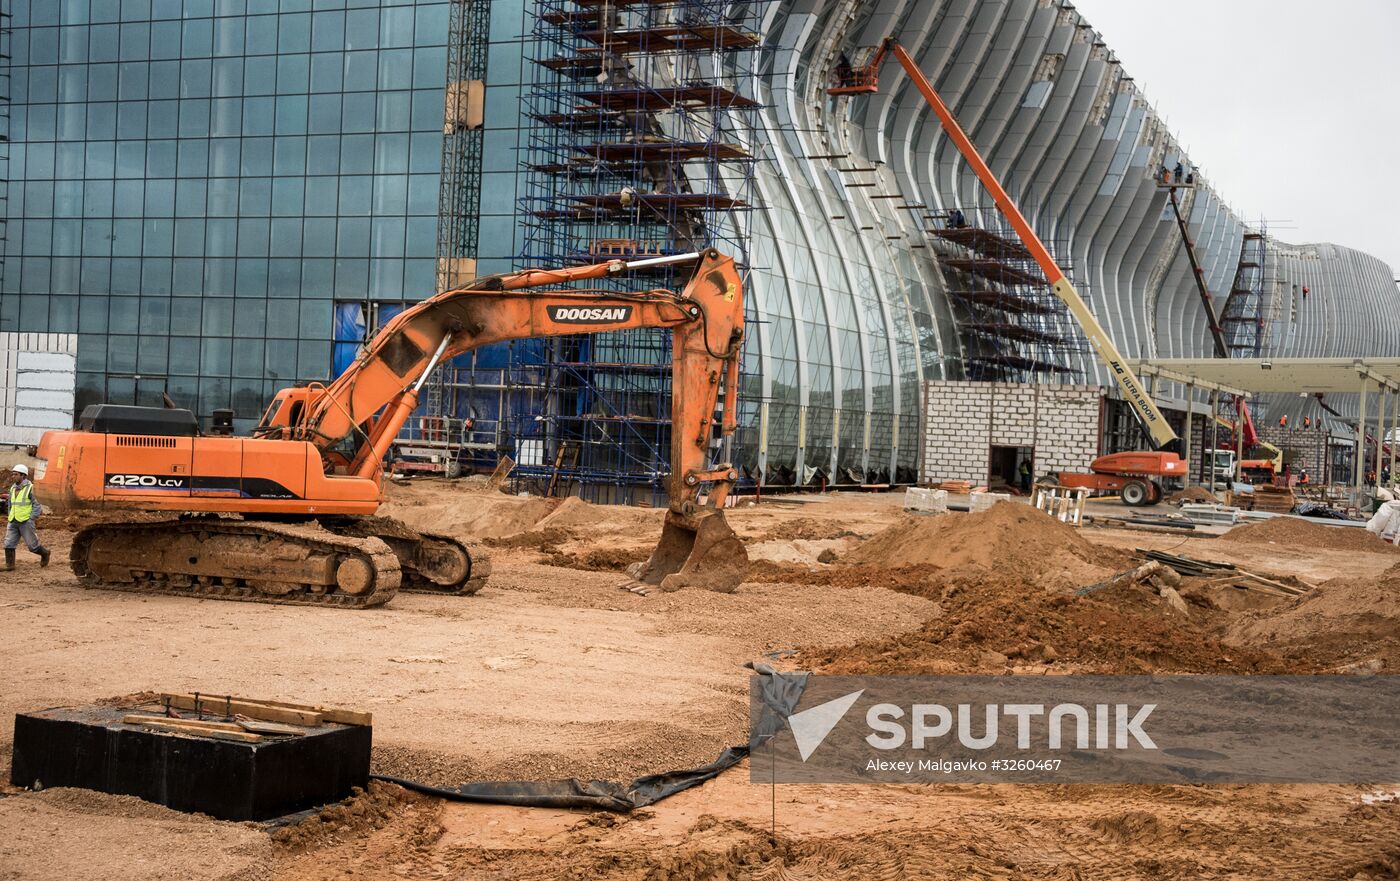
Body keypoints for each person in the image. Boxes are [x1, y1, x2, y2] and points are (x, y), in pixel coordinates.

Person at [4, 464, 51, 571]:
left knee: (33, 547)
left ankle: (45, 553)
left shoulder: (30, 488)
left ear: (23, 476)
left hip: (25, 521)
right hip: (13, 520)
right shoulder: (13, 488)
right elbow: (11, 504)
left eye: (16, 474)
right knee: (8, 544)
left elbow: (37, 505)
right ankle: (10, 565)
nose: (13, 476)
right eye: (13, 474)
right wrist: (10, 515)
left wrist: (31, 518)